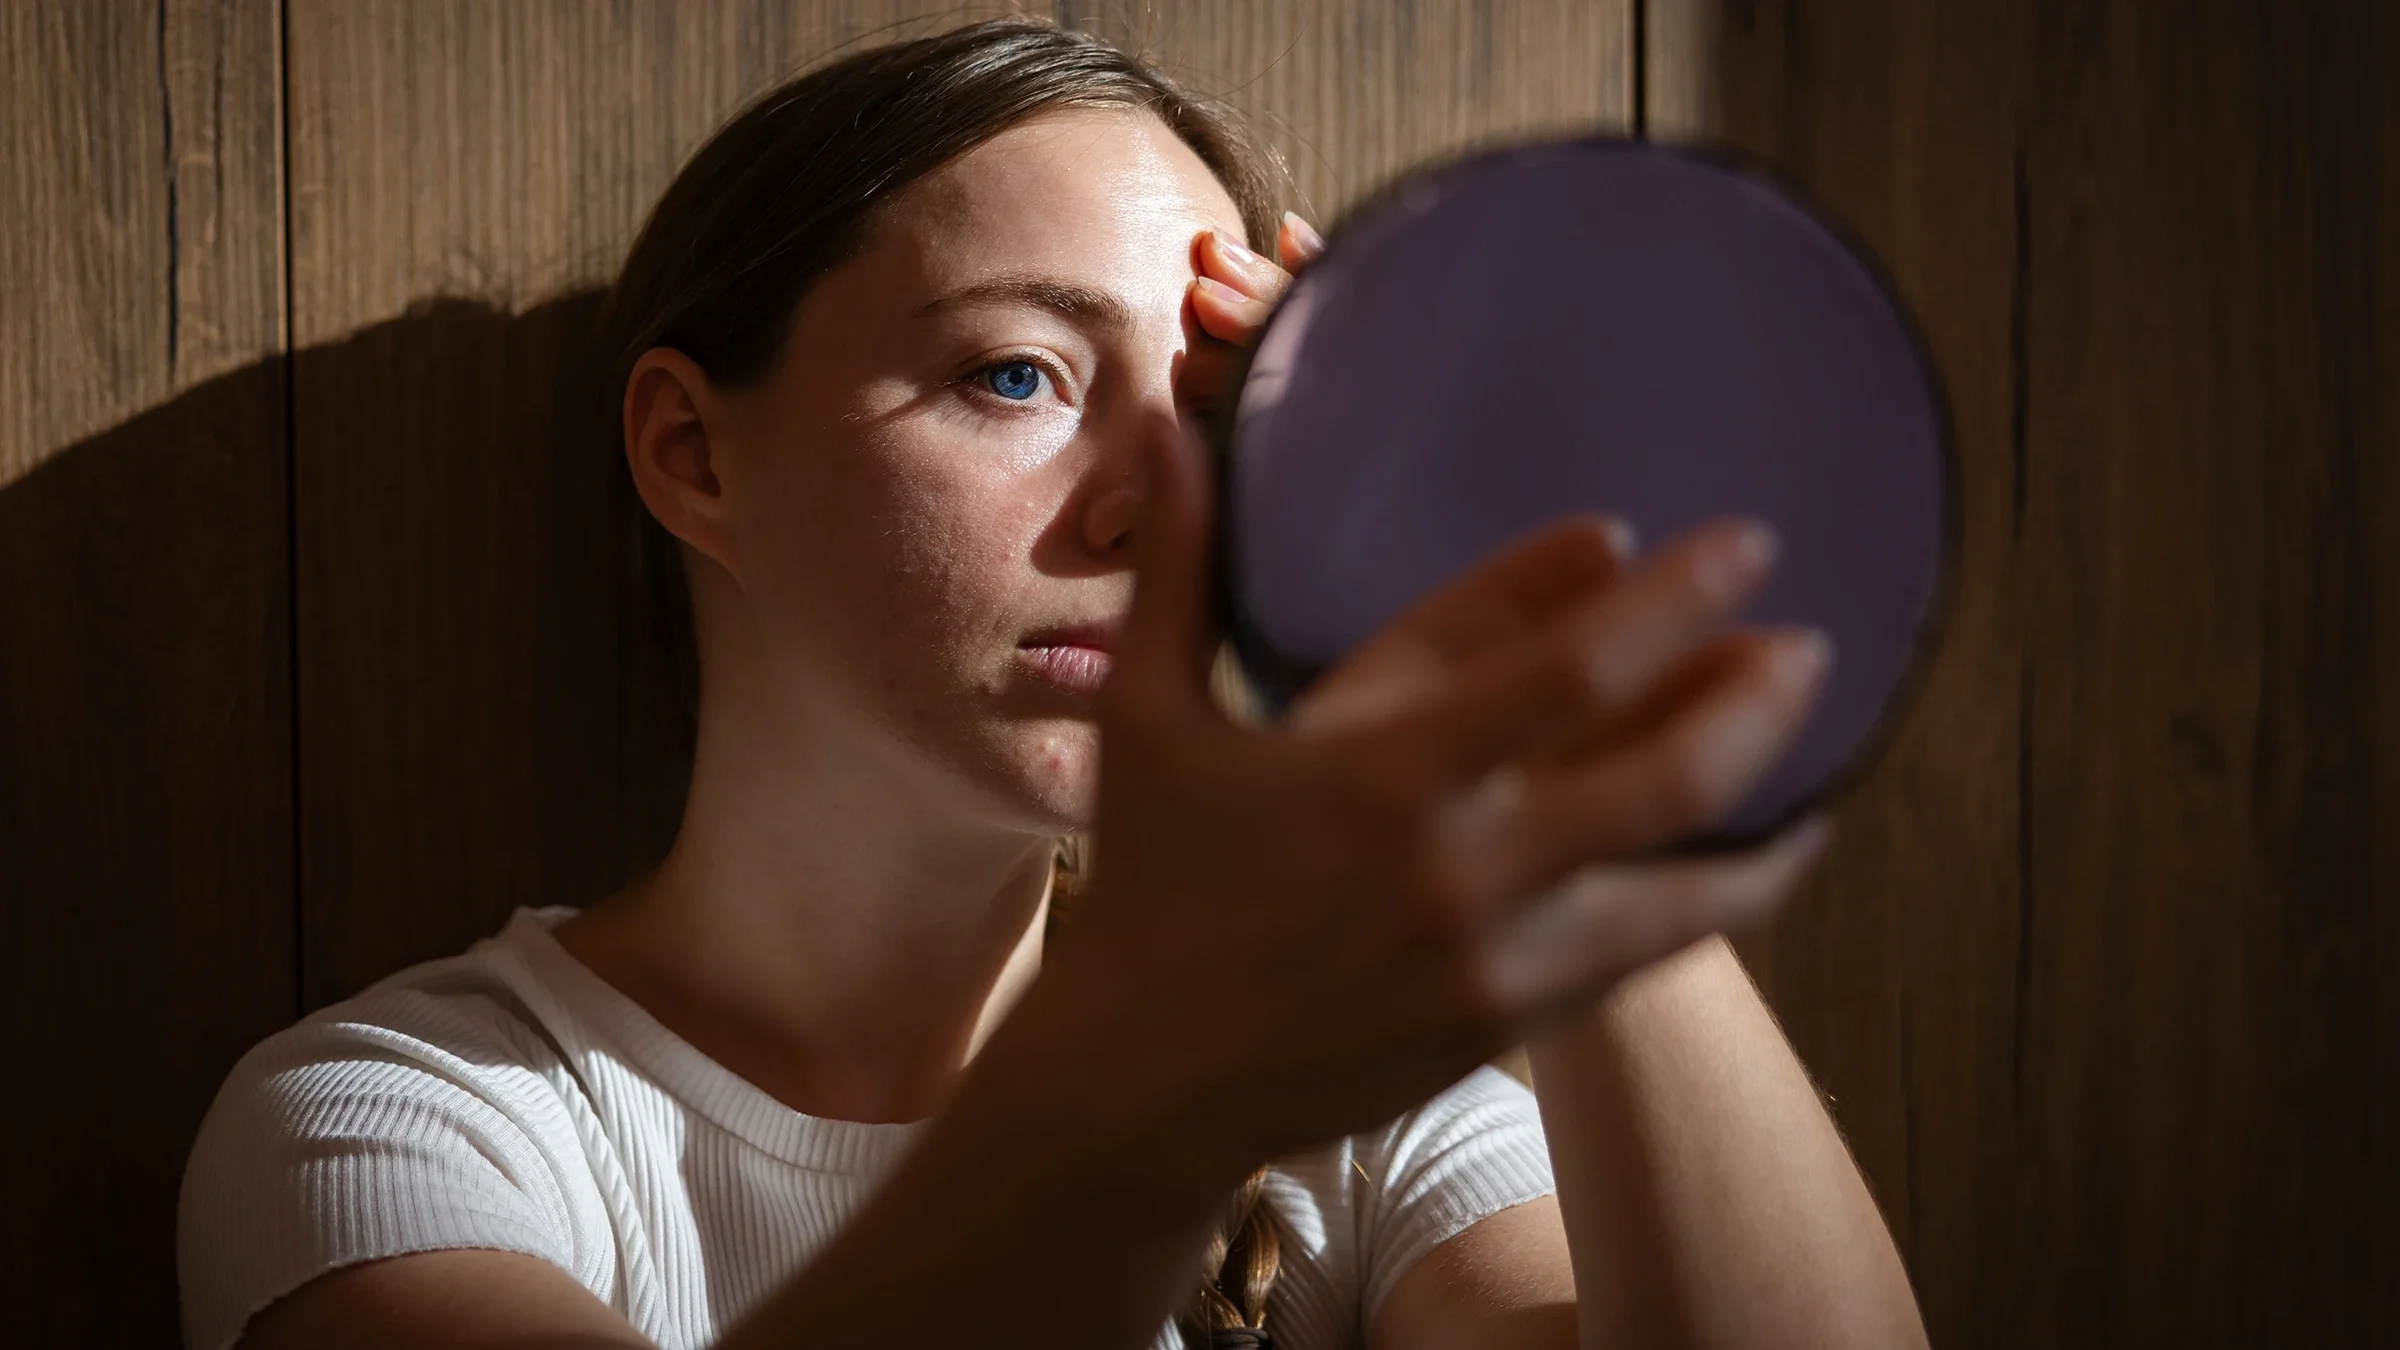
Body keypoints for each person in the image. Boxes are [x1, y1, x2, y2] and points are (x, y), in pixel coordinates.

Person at [177, 17, 1927, 1350]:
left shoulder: (1356, 1134)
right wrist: (1142, 1094)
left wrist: (1542, 720)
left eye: (1220, 418)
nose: (1149, 503)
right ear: (696, 454)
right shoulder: (406, 1127)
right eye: (1019, 375)